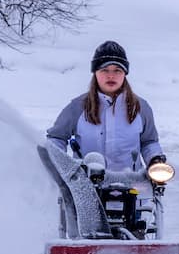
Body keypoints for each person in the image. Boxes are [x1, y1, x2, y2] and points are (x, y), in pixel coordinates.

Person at [46, 40, 166, 172]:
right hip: (87, 184)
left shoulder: (140, 107)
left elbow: (149, 142)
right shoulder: (77, 107)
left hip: (133, 183)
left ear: (125, 74)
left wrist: (155, 160)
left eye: (117, 70)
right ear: (95, 73)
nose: (111, 75)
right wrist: (60, 164)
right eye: (104, 70)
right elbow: (56, 138)